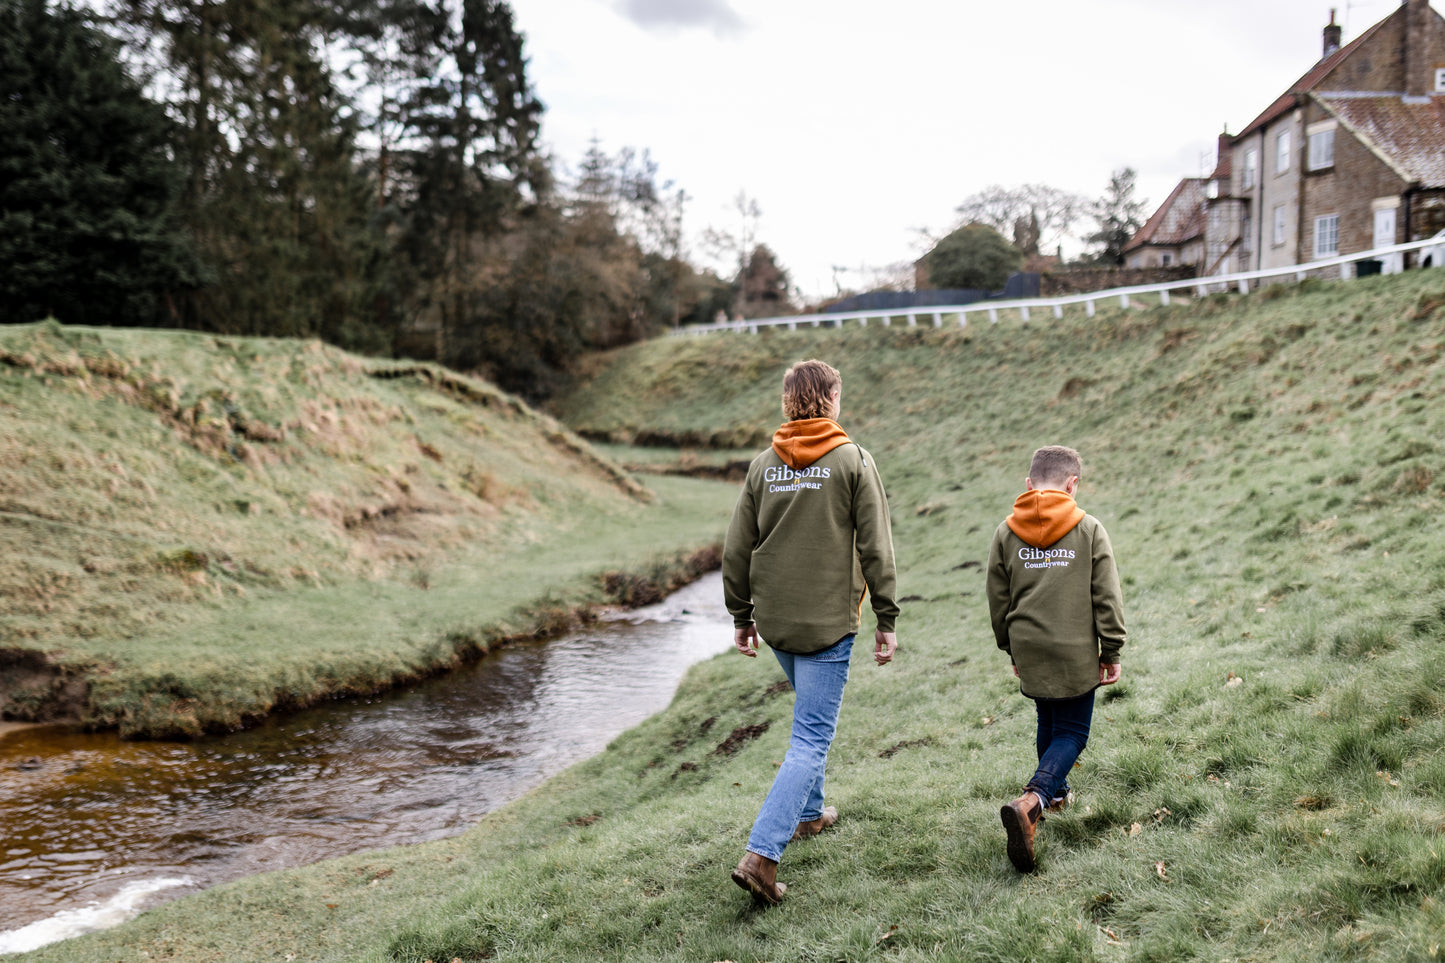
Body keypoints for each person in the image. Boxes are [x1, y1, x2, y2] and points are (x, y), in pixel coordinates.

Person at [722, 358, 899, 906]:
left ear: (787, 400)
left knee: (808, 717)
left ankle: (810, 814)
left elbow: (736, 548)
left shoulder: (761, 466)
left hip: (776, 619)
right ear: (833, 398)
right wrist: (887, 618)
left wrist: (741, 615)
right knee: (812, 737)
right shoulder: (853, 460)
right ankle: (762, 856)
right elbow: (876, 545)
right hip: (826, 623)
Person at [986, 445, 1126, 874]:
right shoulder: (1088, 529)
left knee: (1048, 720)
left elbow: (998, 597)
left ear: (1029, 485)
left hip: (1029, 645)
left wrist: (1009, 646)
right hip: (1074, 649)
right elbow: (1106, 596)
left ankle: (1057, 796)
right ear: (1072, 485)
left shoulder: (1006, 533)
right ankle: (1034, 800)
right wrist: (1112, 648)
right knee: (1072, 732)